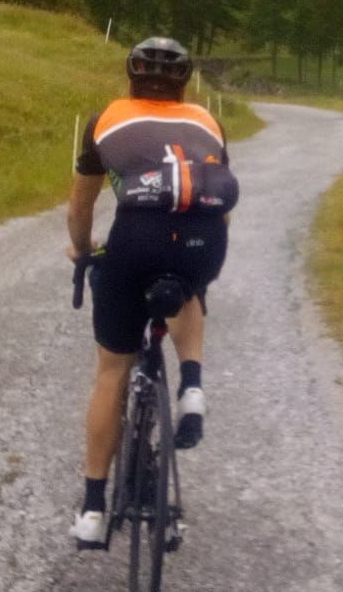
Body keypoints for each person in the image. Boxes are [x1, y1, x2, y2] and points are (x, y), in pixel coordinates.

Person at [66, 36, 235, 549]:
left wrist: (81, 251)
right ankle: (192, 385)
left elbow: (81, 210)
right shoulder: (208, 121)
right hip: (202, 240)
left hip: (132, 241)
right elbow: (221, 203)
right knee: (190, 289)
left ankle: (94, 510)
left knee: (112, 369)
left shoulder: (105, 120)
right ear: (184, 82)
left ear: (131, 76)